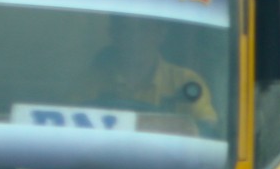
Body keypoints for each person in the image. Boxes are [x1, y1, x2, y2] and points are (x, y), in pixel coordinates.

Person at [85, 15, 218, 128]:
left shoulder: (186, 82)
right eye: (126, 29)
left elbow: (207, 128)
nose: (134, 38)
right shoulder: (93, 82)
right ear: (113, 35)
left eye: (143, 29)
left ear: (161, 34)